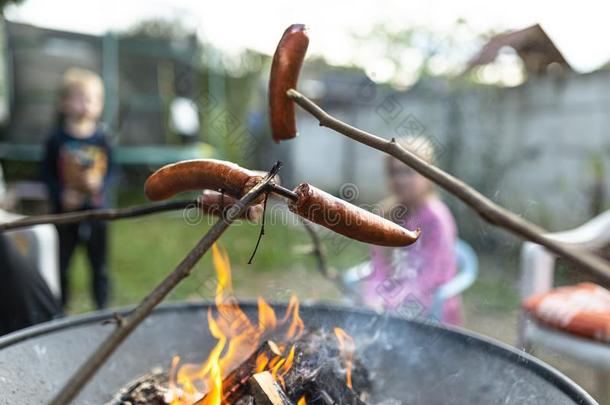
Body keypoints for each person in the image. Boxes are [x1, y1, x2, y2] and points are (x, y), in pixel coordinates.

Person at [363, 136, 461, 325]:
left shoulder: (436, 220)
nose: (400, 179)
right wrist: (373, 297)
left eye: (409, 171)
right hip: (389, 304)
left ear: (428, 175)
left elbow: (430, 278)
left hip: (432, 310)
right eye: (394, 172)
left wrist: (390, 302)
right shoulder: (387, 214)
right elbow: (379, 266)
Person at [41, 68, 115, 310]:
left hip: (97, 214)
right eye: (80, 97)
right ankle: (59, 312)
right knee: (61, 264)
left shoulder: (103, 139)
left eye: (92, 99)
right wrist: (61, 194)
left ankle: (102, 310)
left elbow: (114, 171)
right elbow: (46, 173)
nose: (86, 104)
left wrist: (100, 186)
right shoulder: (56, 139)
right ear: (64, 103)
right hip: (65, 215)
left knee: (100, 266)